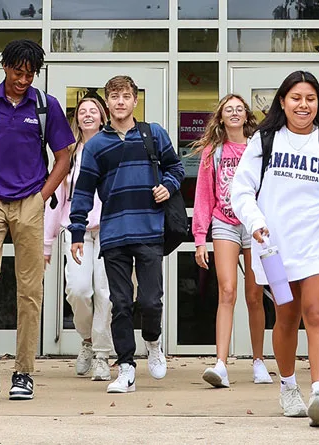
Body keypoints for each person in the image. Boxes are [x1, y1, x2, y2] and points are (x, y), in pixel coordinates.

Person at [230, 70, 319, 427]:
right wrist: (255, 221)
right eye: (296, 98)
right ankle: (288, 386)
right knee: (287, 317)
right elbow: (241, 191)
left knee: (316, 312)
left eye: (310, 99)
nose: (303, 105)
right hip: (274, 246)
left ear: (318, 104)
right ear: (282, 101)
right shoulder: (264, 141)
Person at [0, 39, 74, 401]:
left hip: (29, 202)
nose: (23, 79)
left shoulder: (45, 106)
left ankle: (23, 371)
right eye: (17, 71)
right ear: (5, 66)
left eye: (30, 74)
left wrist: (41, 197)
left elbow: (63, 157)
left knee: (30, 290)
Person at [68, 75, 185, 394]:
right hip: (115, 233)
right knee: (119, 303)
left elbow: (176, 167)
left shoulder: (153, 134)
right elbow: (82, 191)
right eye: (114, 96)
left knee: (150, 301)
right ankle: (127, 367)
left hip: (149, 230)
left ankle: (153, 342)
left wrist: (169, 186)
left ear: (135, 101)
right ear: (108, 103)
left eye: (126, 96)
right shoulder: (96, 145)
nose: (120, 101)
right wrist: (77, 230)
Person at [191, 94, 273, 388]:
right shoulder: (213, 151)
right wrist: (200, 237)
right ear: (221, 117)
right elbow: (203, 195)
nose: (235, 113)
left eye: (240, 109)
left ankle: (259, 362)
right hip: (224, 222)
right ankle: (221, 364)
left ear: (247, 116)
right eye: (229, 110)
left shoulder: (258, 147)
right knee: (227, 291)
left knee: (255, 295)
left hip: (254, 226)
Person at [44, 97, 114, 381]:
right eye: (82, 112)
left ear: (102, 117)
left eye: (93, 111)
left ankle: (101, 354)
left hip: (110, 230)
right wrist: (47, 242)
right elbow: (57, 199)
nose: (87, 115)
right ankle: (87, 339)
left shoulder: (114, 147)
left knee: (106, 294)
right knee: (79, 290)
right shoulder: (69, 153)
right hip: (77, 232)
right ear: (77, 119)